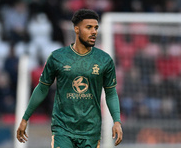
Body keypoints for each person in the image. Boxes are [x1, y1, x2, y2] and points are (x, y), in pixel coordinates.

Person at [16, 9, 123, 147]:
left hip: (91, 131)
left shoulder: (104, 60)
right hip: (63, 129)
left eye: (96, 28)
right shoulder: (57, 57)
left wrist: (117, 121)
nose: (94, 32)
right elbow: (42, 88)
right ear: (77, 29)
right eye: (89, 27)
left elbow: (111, 93)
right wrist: (25, 118)